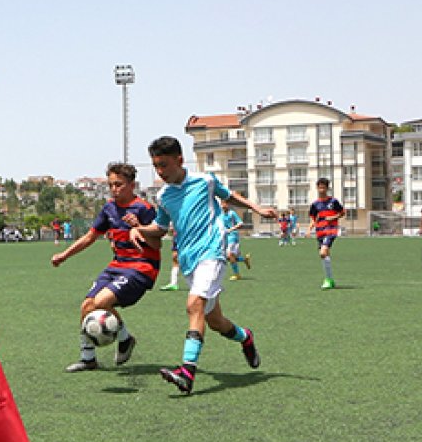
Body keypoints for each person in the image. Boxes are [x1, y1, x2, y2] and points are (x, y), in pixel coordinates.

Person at [128, 136, 272, 395]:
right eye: (156, 166)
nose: (160, 171)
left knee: (194, 305)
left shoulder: (205, 181)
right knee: (214, 321)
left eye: (164, 165)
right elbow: (160, 229)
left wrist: (256, 208)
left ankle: (187, 371)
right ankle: (245, 337)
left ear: (179, 160)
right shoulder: (163, 195)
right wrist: (139, 229)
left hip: (213, 252)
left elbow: (231, 196)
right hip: (188, 260)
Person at [51, 163, 158, 372]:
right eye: (111, 185)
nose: (114, 189)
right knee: (87, 306)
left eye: (118, 184)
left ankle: (125, 338)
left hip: (141, 268)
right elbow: (90, 236)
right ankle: (88, 358)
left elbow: (157, 244)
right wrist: (64, 255)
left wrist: (139, 227)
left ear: (132, 185)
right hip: (117, 266)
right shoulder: (109, 208)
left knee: (100, 302)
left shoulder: (144, 209)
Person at [307, 178, 345, 289]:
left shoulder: (333, 202)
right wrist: (309, 229)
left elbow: (342, 212)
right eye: (320, 187)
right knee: (324, 256)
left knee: (323, 253)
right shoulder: (315, 204)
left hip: (331, 230)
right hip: (320, 232)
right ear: (317, 188)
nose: (321, 189)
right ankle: (330, 279)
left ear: (327, 188)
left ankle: (328, 280)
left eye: (324, 187)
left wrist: (333, 217)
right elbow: (313, 218)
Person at [219, 199, 252, 280]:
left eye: (224, 203)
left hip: (233, 236)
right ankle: (244, 259)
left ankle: (237, 275)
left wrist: (231, 229)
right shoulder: (220, 214)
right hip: (225, 237)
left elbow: (240, 223)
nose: (223, 205)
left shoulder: (232, 213)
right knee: (228, 257)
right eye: (222, 203)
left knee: (230, 255)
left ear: (228, 204)